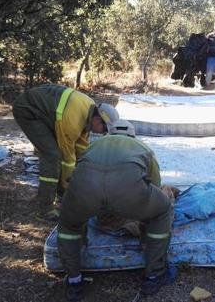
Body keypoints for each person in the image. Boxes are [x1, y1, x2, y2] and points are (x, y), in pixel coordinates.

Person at [57, 119, 175, 301]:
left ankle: (74, 281)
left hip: (85, 192)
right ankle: (154, 275)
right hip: (128, 194)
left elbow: (77, 173)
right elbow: (155, 185)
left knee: (69, 225)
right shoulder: (142, 147)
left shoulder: (92, 146)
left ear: (109, 133)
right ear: (132, 134)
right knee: (162, 210)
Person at [12, 84, 119, 220]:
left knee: (61, 157)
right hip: (29, 110)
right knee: (52, 155)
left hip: (47, 114)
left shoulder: (89, 110)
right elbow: (67, 158)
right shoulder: (72, 121)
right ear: (98, 120)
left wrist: (89, 173)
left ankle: (55, 196)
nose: (103, 133)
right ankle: (44, 208)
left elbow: (81, 150)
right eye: (104, 129)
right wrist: (71, 190)